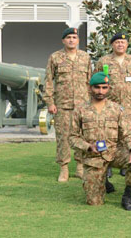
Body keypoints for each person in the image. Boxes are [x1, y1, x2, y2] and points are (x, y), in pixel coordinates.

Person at [69, 71, 131, 210]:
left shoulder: (116, 109)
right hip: (93, 157)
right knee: (94, 201)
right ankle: (103, 181)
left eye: (104, 87)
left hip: (114, 152)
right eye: (97, 87)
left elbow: (128, 133)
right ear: (90, 88)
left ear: (109, 88)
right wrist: (88, 147)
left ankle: (127, 196)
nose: (100, 91)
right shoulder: (80, 110)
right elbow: (72, 137)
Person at [43, 27, 92, 182]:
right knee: (63, 137)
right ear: (63, 40)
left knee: (81, 136)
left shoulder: (85, 58)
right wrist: (50, 102)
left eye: (74, 37)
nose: (71, 40)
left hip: (82, 105)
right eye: (68, 37)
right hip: (62, 105)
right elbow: (49, 81)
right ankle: (63, 168)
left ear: (78, 40)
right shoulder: (55, 57)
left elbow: (90, 82)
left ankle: (80, 167)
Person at [95, 32, 131, 177]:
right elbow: (96, 80)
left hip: (127, 106)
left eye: (123, 42)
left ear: (127, 45)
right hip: (109, 106)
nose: (120, 44)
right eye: (117, 42)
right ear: (112, 45)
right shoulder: (104, 61)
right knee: (107, 133)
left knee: (127, 133)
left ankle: (125, 162)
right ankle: (107, 162)